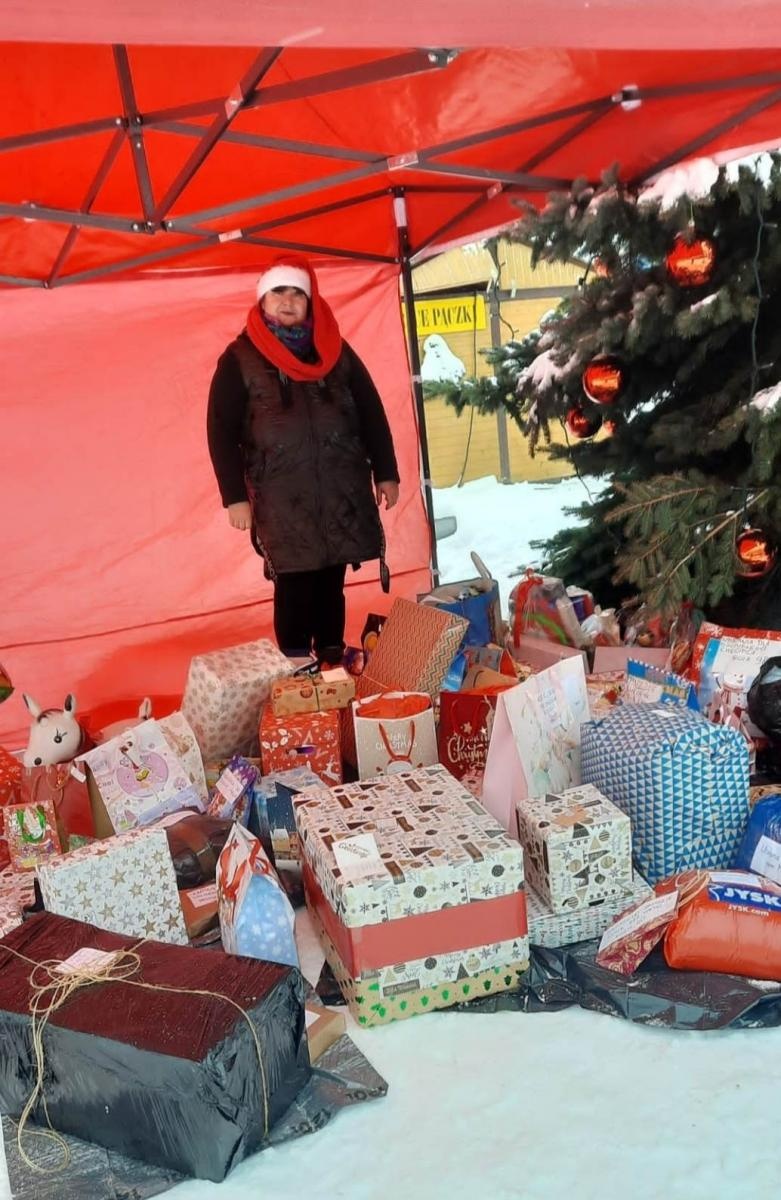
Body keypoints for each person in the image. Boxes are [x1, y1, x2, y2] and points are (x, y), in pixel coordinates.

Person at [207, 256, 400, 664]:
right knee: (294, 581)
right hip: (281, 497)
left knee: (331, 578)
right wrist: (234, 497)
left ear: (310, 302)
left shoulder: (335, 352)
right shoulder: (240, 358)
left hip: (340, 489)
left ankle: (330, 659)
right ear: (263, 301)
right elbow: (220, 430)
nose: (289, 301)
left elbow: (371, 411)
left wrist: (386, 472)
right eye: (279, 292)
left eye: (298, 293)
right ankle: (296, 664)